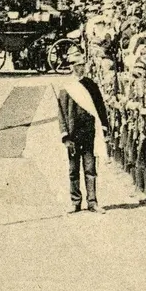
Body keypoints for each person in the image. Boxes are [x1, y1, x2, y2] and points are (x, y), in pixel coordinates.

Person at [56, 48, 109, 213]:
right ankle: (75, 201)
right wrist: (64, 135)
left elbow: (100, 108)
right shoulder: (67, 87)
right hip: (73, 135)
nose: (81, 68)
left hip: (88, 133)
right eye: (78, 65)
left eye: (82, 65)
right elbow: (61, 113)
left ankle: (92, 202)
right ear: (72, 67)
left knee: (90, 169)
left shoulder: (91, 85)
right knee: (73, 170)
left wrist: (104, 128)